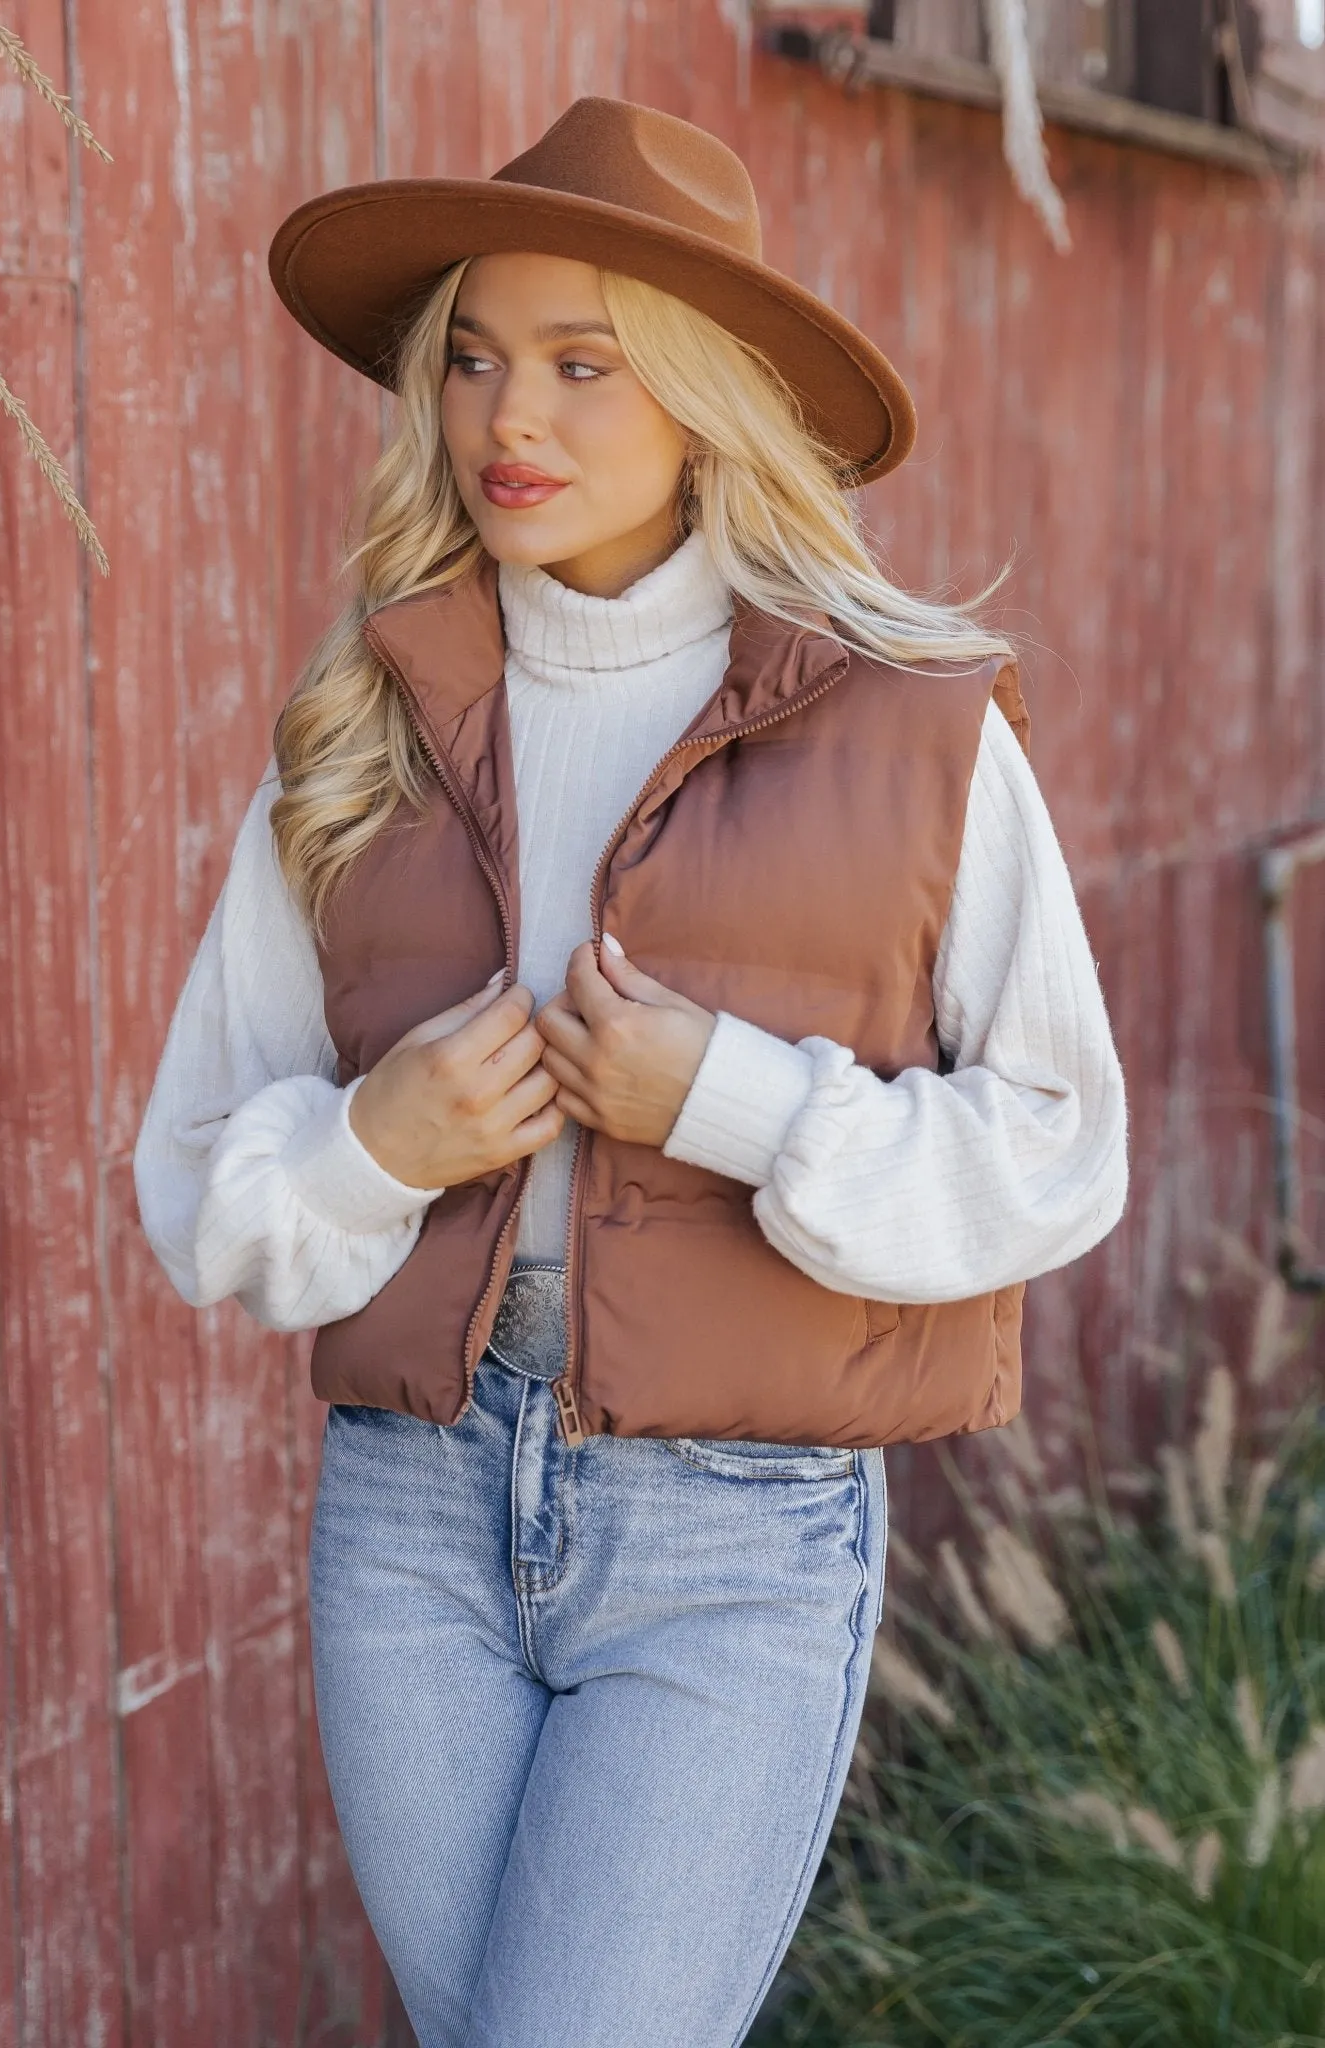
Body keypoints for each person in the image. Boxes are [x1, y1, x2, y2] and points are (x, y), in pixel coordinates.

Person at [134, 95, 1128, 2048]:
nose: (515, 415)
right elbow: (196, 1171)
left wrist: (737, 1103)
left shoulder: (910, 733)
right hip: (409, 1518)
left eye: (587, 363)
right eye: (480, 358)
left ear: (701, 397)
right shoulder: (361, 733)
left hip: (732, 1534)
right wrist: (368, 1149)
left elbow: (1060, 1141)